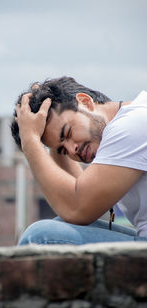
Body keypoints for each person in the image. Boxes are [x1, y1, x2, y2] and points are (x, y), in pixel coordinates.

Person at [11, 76, 147, 245]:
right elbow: (78, 201)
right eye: (62, 150)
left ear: (85, 102)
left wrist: (30, 141)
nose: (72, 150)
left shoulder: (130, 126)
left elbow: (76, 208)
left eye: (67, 133)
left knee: (41, 237)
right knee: (59, 225)